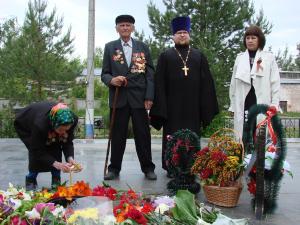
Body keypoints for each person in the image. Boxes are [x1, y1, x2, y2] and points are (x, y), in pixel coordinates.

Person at [149, 16, 219, 177]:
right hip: (172, 109)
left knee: (192, 137)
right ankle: (171, 167)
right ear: (173, 36)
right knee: (172, 137)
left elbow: (207, 83)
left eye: (185, 32)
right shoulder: (165, 56)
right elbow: (159, 84)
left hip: (193, 108)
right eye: (179, 32)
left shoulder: (198, 56)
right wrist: (161, 109)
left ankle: (192, 166)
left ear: (189, 35)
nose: (182, 35)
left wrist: (205, 108)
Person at [101, 14, 157, 180]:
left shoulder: (142, 47)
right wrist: (112, 80)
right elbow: (104, 73)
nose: (125, 28)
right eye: (121, 25)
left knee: (143, 135)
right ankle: (114, 169)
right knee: (117, 135)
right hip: (119, 98)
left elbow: (150, 74)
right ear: (117, 28)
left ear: (133, 28)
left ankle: (148, 168)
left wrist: (149, 96)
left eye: (128, 25)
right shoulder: (110, 47)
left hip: (139, 98)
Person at [14, 101, 80, 190]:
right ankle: (31, 180)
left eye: (66, 129)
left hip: (51, 123)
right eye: (61, 129)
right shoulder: (39, 125)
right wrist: (56, 164)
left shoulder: (71, 120)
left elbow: (67, 142)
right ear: (54, 124)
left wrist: (70, 158)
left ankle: (56, 182)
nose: (64, 132)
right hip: (26, 125)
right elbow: (36, 150)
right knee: (36, 154)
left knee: (55, 148)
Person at [229, 25, 280, 137]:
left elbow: (275, 82)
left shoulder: (268, 58)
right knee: (243, 134)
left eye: (253, 38)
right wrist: (232, 105)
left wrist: (275, 104)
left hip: (260, 100)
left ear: (259, 39)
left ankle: (259, 154)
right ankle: (242, 153)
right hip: (244, 101)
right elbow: (233, 84)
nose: (250, 41)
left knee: (259, 134)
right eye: (248, 38)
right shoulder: (239, 58)